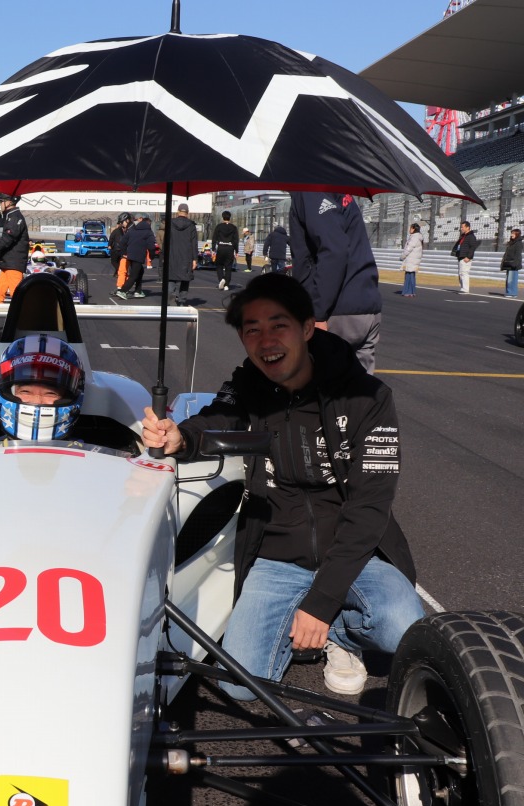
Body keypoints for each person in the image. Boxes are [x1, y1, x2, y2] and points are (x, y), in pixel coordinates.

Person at [140, 274, 424, 699]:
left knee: (405, 628)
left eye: (279, 325)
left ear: (307, 328)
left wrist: (321, 604)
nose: (266, 341)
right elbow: (217, 418)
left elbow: (369, 508)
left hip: (354, 553)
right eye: (252, 330)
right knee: (241, 688)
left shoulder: (368, 397)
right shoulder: (248, 384)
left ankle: (338, 635)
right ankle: (314, 626)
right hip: (276, 557)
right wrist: (181, 438)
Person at [289, 191, 383, 374]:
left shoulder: (309, 189)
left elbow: (334, 249)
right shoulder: (335, 187)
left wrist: (318, 313)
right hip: (365, 303)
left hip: (337, 309)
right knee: (362, 386)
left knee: (322, 383)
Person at [0, 193, 29, 303]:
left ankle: (23, 314)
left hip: (14, 263)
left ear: (9, 202)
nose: (0, 204)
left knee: (16, 295)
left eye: (1, 201)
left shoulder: (15, 217)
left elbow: (7, 239)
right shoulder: (11, 216)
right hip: (8, 263)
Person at [115, 212, 154, 299]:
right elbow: (151, 246)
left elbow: (122, 242)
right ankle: (123, 291)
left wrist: (124, 253)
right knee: (134, 275)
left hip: (130, 255)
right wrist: (152, 256)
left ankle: (138, 291)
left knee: (140, 271)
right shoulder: (148, 232)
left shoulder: (132, 230)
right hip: (138, 255)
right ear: (149, 224)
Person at [166, 203, 198, 306]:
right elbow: (194, 243)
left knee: (171, 277)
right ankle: (182, 300)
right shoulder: (191, 225)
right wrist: (195, 259)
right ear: (187, 213)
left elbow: (166, 241)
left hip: (172, 255)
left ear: (177, 212)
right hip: (186, 256)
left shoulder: (170, 223)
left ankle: (171, 298)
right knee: (185, 278)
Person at [212, 210, 239, 290]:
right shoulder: (233, 227)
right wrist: (236, 251)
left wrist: (213, 249)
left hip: (221, 247)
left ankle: (221, 279)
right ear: (229, 217)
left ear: (222, 217)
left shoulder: (219, 226)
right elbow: (236, 240)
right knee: (228, 267)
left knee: (219, 265)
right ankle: (226, 285)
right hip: (230, 248)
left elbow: (214, 238)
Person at [452, 221, 479, 294]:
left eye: (463, 227)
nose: (461, 228)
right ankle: (462, 287)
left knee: (464, 273)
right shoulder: (463, 236)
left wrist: (468, 257)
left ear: (468, 227)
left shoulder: (471, 236)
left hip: (466, 258)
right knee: (461, 273)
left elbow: (473, 247)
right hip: (461, 256)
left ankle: (465, 289)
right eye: (461, 227)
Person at [400, 223, 424, 297]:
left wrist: (402, 256)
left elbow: (409, 248)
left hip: (411, 259)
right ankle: (411, 291)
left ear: (414, 229)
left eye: (411, 228)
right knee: (412, 275)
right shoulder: (418, 237)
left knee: (409, 276)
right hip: (414, 259)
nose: (409, 229)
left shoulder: (414, 237)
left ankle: (408, 291)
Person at [109, 212, 132, 291]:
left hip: (126, 252)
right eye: (121, 223)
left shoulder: (130, 230)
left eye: (123, 222)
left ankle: (127, 287)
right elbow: (112, 238)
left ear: (127, 220)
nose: (122, 224)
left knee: (128, 271)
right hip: (122, 251)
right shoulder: (121, 231)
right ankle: (121, 287)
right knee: (122, 269)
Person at [502, 228, 522, 298]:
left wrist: (514, 263)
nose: (511, 235)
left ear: (517, 234)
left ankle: (512, 293)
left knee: (512, 279)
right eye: (511, 233)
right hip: (509, 263)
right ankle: (509, 292)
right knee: (509, 278)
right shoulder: (511, 243)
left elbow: (518, 254)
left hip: (513, 263)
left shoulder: (518, 243)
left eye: (513, 233)